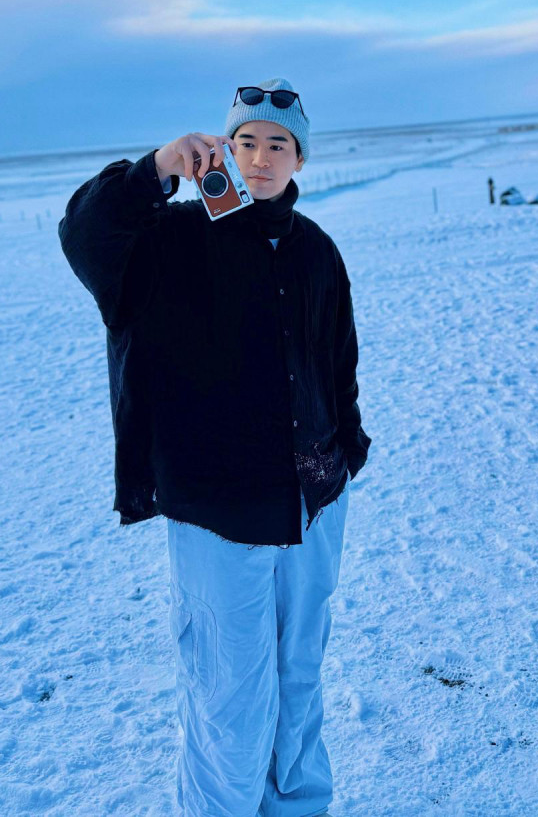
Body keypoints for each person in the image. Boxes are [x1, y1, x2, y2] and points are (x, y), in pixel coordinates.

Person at [58, 77, 371, 817]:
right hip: (218, 511)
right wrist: (155, 170)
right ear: (223, 150)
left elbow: (339, 363)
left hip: (314, 502)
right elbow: (84, 234)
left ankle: (298, 807)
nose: (260, 158)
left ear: (299, 158)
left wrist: (345, 454)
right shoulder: (169, 240)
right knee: (229, 691)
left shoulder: (316, 250)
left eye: (278, 145)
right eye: (246, 142)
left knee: (299, 677)